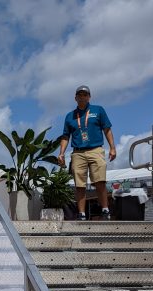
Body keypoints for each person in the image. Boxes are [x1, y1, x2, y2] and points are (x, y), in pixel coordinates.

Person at [58, 85, 116, 221]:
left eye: (85, 94)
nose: (82, 97)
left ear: (89, 97)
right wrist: (61, 153)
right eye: (80, 95)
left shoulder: (98, 110)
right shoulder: (70, 116)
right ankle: (82, 213)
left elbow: (107, 129)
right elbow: (65, 136)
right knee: (79, 184)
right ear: (75, 98)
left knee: (100, 181)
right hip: (78, 152)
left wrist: (112, 147)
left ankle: (105, 210)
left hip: (96, 149)